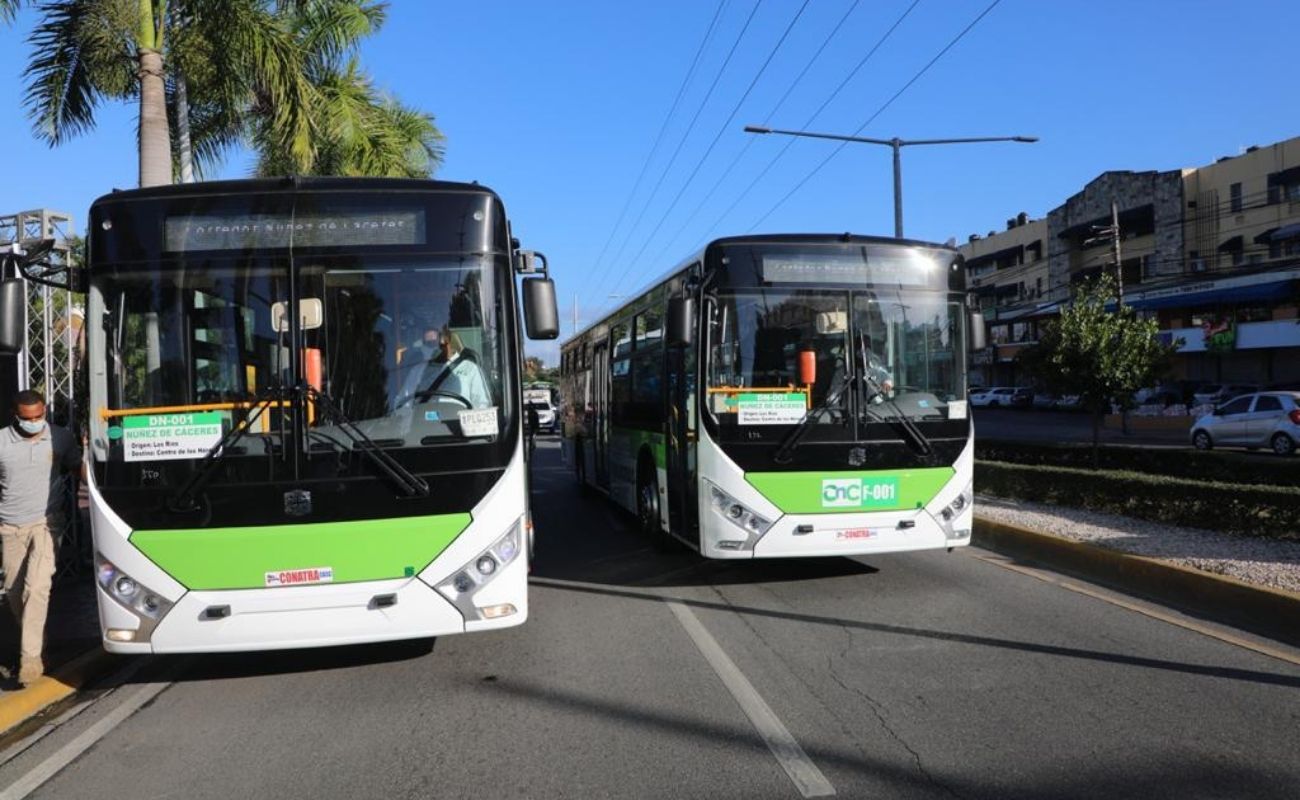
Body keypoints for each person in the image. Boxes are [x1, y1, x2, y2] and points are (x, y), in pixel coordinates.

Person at [0, 390, 82, 687]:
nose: (34, 422)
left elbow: (77, 467)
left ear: (44, 411)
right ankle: (38, 638)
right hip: (10, 527)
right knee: (14, 592)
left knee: (36, 589)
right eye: (27, 418)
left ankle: (30, 660)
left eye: (39, 417)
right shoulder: (1, 442)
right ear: (16, 415)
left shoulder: (61, 437)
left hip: (47, 523)